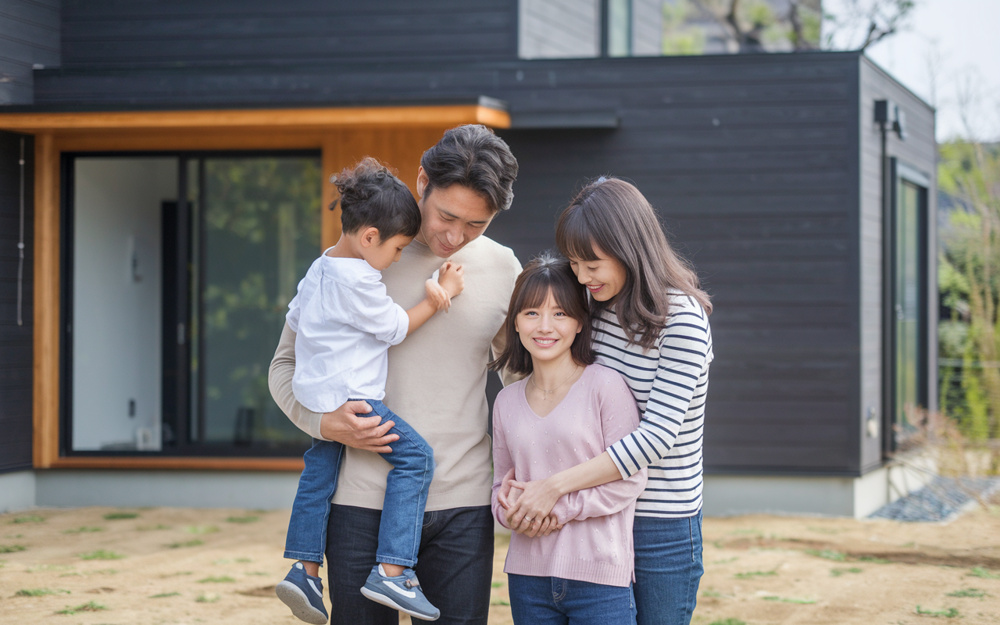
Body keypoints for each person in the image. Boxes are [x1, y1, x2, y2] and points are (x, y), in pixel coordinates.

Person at [269, 124, 521, 625]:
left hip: (463, 502)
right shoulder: (357, 259)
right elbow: (285, 365)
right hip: (359, 502)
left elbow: (524, 383)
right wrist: (322, 423)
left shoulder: (503, 269)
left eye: (476, 224)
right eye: (446, 216)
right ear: (422, 181)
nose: (455, 237)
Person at [498, 177, 713, 625]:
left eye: (592, 264)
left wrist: (553, 488)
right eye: (575, 263)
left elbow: (655, 438)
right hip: (594, 521)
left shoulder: (683, 320)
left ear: (629, 249)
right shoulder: (595, 306)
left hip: (659, 523)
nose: (581, 277)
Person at [276, 157, 465, 623]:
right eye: (397, 249)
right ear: (369, 238)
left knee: (318, 476)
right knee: (416, 459)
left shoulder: (321, 265)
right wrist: (437, 296)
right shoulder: (360, 279)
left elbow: (296, 320)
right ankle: (393, 570)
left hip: (318, 399)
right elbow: (396, 328)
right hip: (356, 401)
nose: (398, 259)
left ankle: (304, 570)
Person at [490, 253, 647, 625]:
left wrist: (555, 507)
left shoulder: (605, 386)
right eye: (532, 313)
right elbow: (500, 486)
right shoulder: (506, 401)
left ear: (579, 323)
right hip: (527, 578)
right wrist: (509, 511)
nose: (545, 326)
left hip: (600, 578)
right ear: (515, 323)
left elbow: (631, 479)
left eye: (560, 313)